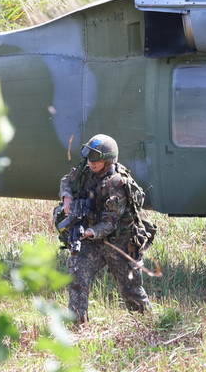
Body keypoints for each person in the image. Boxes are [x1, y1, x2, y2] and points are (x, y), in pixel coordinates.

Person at [58, 134, 151, 324]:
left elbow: (110, 224)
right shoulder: (85, 171)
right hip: (92, 241)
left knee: (131, 290)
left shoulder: (117, 184)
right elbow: (66, 181)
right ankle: (77, 324)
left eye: (95, 158)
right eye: (89, 157)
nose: (90, 162)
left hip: (119, 243)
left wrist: (90, 232)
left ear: (108, 161)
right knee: (76, 275)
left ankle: (148, 326)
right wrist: (67, 197)